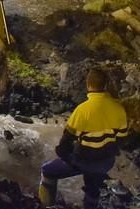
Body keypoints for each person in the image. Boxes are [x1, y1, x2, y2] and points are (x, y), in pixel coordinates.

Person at [38, 69, 128, 209]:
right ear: (105, 86)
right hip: (105, 162)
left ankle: (46, 205)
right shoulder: (119, 108)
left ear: (88, 85)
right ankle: (91, 202)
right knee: (93, 187)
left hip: (83, 161)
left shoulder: (82, 110)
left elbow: (64, 144)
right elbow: (122, 139)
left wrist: (69, 156)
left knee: (47, 171)